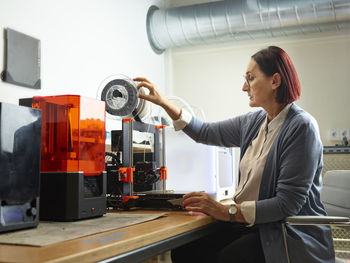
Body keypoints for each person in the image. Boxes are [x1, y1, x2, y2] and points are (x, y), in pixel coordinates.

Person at [134, 46, 334, 263]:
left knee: (227, 257)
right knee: (186, 251)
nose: (243, 87)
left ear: (275, 81)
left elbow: (286, 205)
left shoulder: (301, 127)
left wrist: (225, 210)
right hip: (253, 226)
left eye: (250, 78)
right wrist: (164, 103)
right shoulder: (253, 121)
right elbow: (204, 131)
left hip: (287, 233)